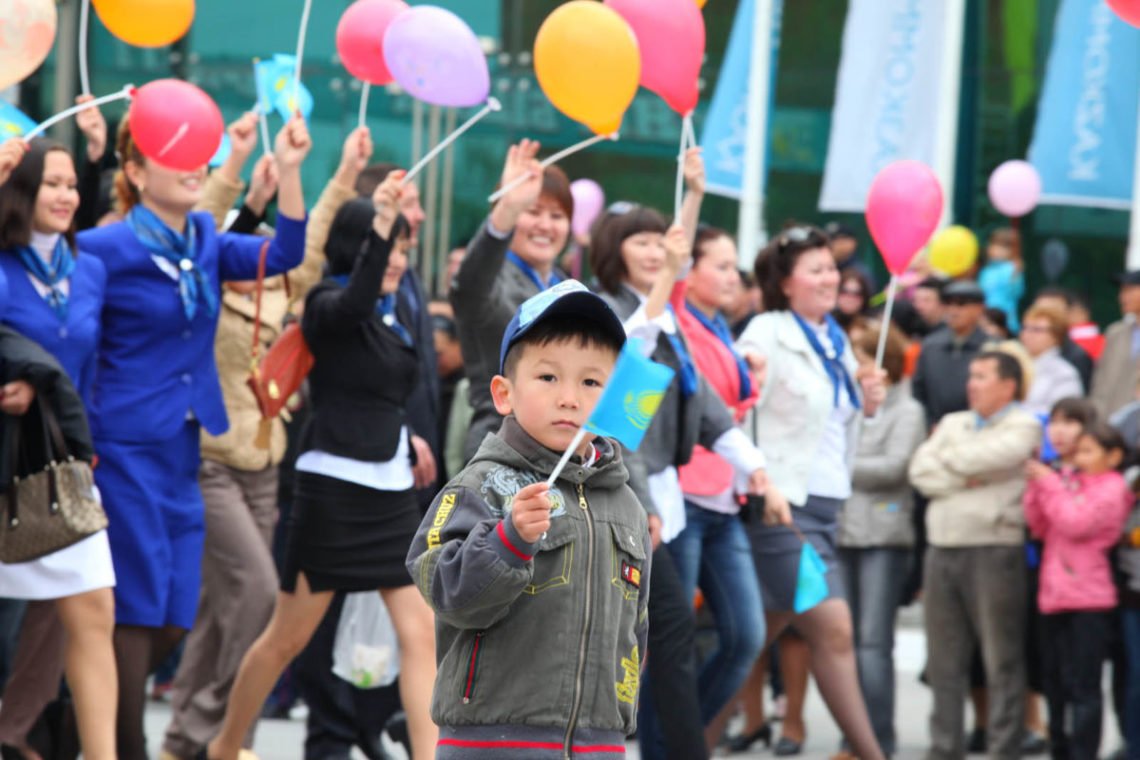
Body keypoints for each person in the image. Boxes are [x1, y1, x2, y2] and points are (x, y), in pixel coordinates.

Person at [75, 114, 310, 760]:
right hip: (122, 446)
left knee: (176, 612)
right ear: (135, 172)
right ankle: (123, 747)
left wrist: (289, 173)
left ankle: (85, 719)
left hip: (187, 445)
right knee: (136, 609)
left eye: (196, 154)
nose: (192, 162)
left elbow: (285, 254)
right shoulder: (104, 248)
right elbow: (77, 340)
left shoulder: (204, 236)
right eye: (170, 154)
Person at [204, 171, 437, 760]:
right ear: (351, 248)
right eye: (383, 246)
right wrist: (380, 224)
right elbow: (354, 302)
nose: (393, 260)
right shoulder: (325, 304)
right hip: (333, 493)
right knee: (286, 639)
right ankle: (226, 746)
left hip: (388, 494)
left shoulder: (389, 315)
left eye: (403, 249)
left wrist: (407, 438)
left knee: (422, 632)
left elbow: (384, 390)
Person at [407, 280, 650, 759]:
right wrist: (508, 541)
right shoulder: (482, 484)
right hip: (494, 737)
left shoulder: (626, 504)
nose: (569, 398)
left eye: (590, 382)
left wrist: (619, 714)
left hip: (598, 742)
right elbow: (447, 593)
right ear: (504, 394)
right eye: (548, 378)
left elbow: (636, 628)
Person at [590, 154, 770, 759]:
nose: (652, 250)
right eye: (638, 241)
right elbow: (623, 425)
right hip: (635, 498)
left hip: (671, 497)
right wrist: (638, 500)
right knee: (664, 639)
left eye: (656, 242)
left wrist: (754, 465)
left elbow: (710, 408)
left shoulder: (668, 320)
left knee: (681, 640)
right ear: (613, 249)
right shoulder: (615, 317)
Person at [160, 111, 324, 760]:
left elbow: (292, 246)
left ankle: (186, 742)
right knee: (257, 593)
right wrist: (233, 161)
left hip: (263, 466)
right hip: (208, 460)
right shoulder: (198, 273)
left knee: (223, 609)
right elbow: (203, 224)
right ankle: (219, 738)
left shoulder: (270, 281)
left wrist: (292, 170)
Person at [734, 224, 887, 760]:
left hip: (827, 504)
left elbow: (831, 429)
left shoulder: (834, 338)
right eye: (816, 269)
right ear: (785, 282)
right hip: (783, 506)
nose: (830, 278)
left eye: (832, 267)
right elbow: (736, 411)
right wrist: (759, 480)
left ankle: (682, 739)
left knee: (750, 640)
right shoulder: (765, 332)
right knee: (835, 630)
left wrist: (867, 403)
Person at [0, 135, 117, 760]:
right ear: (22, 189)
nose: (68, 195)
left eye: (74, 184)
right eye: (53, 183)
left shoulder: (89, 269)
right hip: (3, 462)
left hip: (58, 468)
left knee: (95, 608)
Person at [909, 350, 1041, 760]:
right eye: (971, 375)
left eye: (982, 376)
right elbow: (919, 471)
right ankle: (944, 747)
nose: (972, 383)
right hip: (943, 547)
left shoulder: (1026, 425)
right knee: (944, 659)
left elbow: (991, 457)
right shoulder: (953, 421)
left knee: (1001, 656)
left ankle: (1005, 747)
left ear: (1009, 385)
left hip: (995, 549)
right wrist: (971, 476)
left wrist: (952, 462)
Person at [672, 225, 766, 749]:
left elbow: (721, 409)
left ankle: (682, 738)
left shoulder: (722, 328)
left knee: (746, 636)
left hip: (725, 498)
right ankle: (675, 743)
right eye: (722, 265)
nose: (733, 276)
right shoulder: (678, 317)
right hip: (685, 493)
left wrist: (751, 382)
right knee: (676, 642)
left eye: (735, 267)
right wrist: (693, 195)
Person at [451, 139, 574, 461]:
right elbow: (469, 288)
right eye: (533, 212)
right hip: (503, 450)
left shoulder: (569, 288)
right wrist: (507, 210)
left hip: (562, 453)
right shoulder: (495, 281)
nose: (545, 226)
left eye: (557, 215)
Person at [836, 324, 926, 757]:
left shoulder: (908, 410)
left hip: (884, 538)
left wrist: (841, 464)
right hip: (843, 533)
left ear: (882, 361)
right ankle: (852, 736)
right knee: (845, 641)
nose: (854, 363)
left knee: (873, 642)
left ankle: (878, 740)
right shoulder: (845, 405)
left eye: (861, 354)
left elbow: (896, 467)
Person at [1024, 422, 1133, 759]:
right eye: (1078, 452)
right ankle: (1059, 748)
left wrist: (1048, 483)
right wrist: (1037, 489)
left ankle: (1084, 753)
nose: (1080, 459)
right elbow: (1040, 526)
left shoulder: (1114, 488)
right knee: (1054, 684)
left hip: (1090, 599)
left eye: (1088, 452)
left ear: (1113, 456)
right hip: (1053, 595)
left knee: (1085, 687)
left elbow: (1076, 523)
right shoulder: (1066, 483)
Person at [911, 279, 990, 427]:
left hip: (978, 431)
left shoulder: (992, 348)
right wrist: (929, 424)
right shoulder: (930, 345)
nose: (953, 310)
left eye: (961, 304)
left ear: (980, 308)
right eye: (948, 303)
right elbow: (918, 391)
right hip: (935, 430)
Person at [1020, 304, 1084, 417]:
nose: (1027, 334)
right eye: (1025, 328)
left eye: (1037, 329)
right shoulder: (1015, 364)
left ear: (1055, 336)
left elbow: (1063, 415)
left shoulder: (1065, 374)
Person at [1092, 271, 1140, 417]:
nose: (1122, 297)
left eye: (1130, 290)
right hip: (1108, 426)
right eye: (1122, 291)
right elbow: (1100, 384)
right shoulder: (1115, 333)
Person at [1031, 287, 1096, 386]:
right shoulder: (1021, 352)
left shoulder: (1078, 356)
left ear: (1068, 314)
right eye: (1039, 311)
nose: (1043, 318)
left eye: (1052, 312)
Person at [978, 228, 1025, 334]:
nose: (996, 250)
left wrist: (1016, 277)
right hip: (986, 318)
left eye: (1002, 247)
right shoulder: (986, 270)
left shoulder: (1012, 268)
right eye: (994, 245)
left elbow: (1016, 292)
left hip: (1005, 319)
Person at [824, 222, 875, 289]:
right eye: (831, 240)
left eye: (840, 241)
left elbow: (869, 298)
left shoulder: (860, 273)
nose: (833, 244)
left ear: (853, 243)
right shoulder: (825, 266)